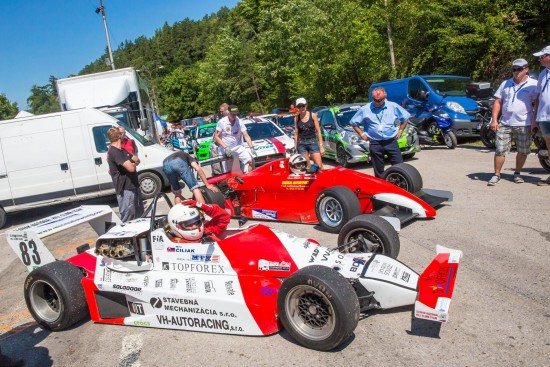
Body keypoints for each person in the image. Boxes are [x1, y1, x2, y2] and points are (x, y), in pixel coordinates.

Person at [487, 59, 537, 186]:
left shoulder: (534, 84)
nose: (516, 72)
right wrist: (494, 120)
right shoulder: (505, 84)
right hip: (505, 122)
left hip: (524, 123)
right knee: (500, 149)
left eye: (519, 69)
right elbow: (498, 102)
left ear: (526, 69)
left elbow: (537, 103)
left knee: (523, 150)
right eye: (514, 69)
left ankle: (517, 173)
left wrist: (535, 122)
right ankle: (496, 175)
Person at [350, 87, 410, 178]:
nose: (377, 102)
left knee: (399, 166)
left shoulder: (392, 106)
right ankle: (382, 187)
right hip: (375, 143)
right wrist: (361, 134)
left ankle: (399, 184)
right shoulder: (365, 109)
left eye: (379, 100)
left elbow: (405, 118)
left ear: (385, 97)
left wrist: (400, 130)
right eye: (375, 100)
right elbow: (353, 122)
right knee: (378, 169)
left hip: (390, 141)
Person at [106, 128, 144, 222]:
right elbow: (131, 168)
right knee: (128, 216)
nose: (124, 135)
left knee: (139, 214)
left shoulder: (122, 150)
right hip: (125, 188)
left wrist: (133, 164)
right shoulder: (114, 152)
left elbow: (137, 160)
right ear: (119, 136)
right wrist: (133, 164)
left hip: (133, 184)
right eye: (122, 134)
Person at [214, 104, 257, 172]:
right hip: (226, 148)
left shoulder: (239, 121)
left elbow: (246, 135)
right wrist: (226, 147)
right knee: (230, 171)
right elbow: (216, 137)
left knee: (251, 161)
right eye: (232, 114)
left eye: (235, 114)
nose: (234, 116)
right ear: (228, 113)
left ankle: (250, 179)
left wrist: (251, 147)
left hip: (237, 146)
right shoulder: (222, 122)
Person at [532, 45, 550, 186]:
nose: (539, 59)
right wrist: (535, 118)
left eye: (542, 56)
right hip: (544, 116)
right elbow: (538, 97)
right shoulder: (542, 73)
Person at [293, 97, 324, 172]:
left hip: (312, 142)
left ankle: (323, 181)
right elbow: (296, 134)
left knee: (319, 166)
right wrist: (296, 148)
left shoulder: (313, 115)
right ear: (297, 108)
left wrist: (321, 146)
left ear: (306, 105)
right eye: (299, 106)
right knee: (307, 167)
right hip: (301, 144)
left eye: (303, 106)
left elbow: (318, 131)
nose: (301, 108)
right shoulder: (296, 118)